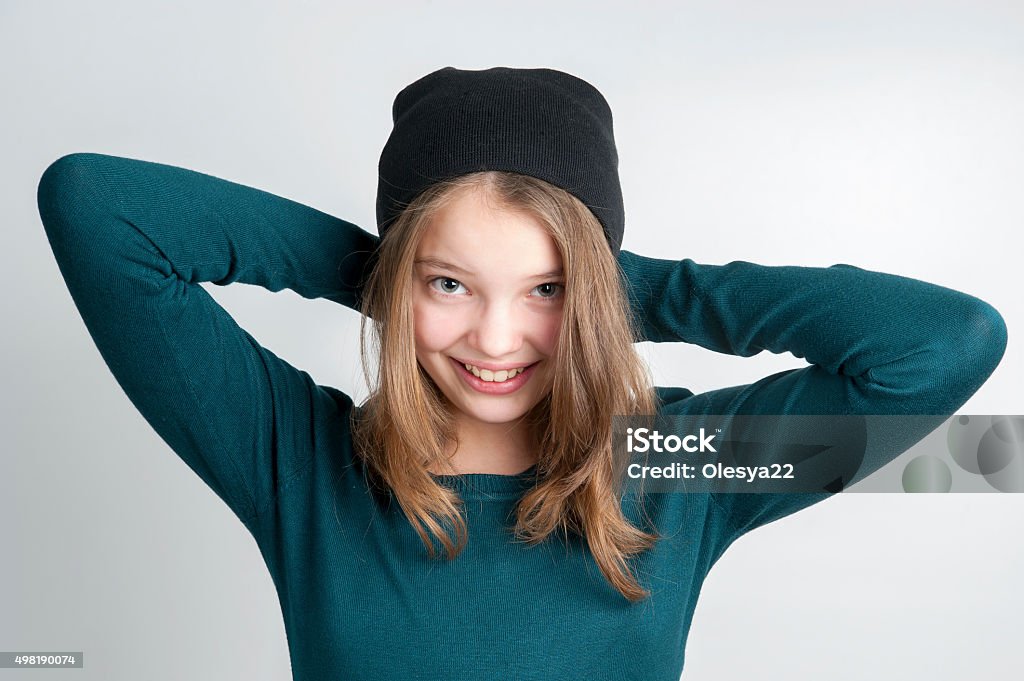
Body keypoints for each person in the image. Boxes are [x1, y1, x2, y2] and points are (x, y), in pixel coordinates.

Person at [36, 66, 1007, 680]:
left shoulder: (678, 468)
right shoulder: (303, 463)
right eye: (451, 284)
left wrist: (620, 290)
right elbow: (97, 209)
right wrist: (390, 271)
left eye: (544, 291)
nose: (497, 339)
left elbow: (943, 343)